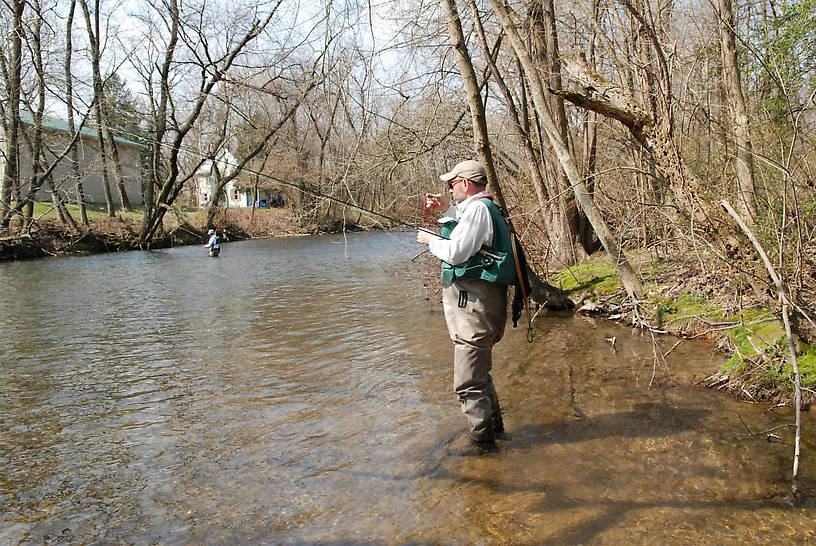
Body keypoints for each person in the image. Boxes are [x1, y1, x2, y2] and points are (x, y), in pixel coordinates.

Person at [416, 159, 518, 449]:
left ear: (465, 183)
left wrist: (430, 240)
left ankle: (483, 445)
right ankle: (494, 433)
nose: (449, 187)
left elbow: (457, 251)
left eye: (452, 184)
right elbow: (467, 233)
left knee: (467, 381)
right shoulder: (483, 208)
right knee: (480, 375)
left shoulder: (477, 210)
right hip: (480, 306)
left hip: (475, 309)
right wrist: (446, 211)